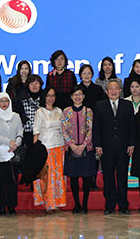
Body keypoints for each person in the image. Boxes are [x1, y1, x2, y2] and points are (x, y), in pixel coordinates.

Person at [92, 79, 135, 215]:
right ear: (106, 91)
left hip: (123, 148)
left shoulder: (128, 105)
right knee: (108, 177)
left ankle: (123, 205)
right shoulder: (100, 105)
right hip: (106, 148)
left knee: (122, 177)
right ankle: (109, 205)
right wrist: (97, 145)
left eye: (116, 88)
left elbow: (131, 127)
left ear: (120, 91)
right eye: (111, 89)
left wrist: (131, 143)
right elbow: (96, 127)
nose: (114, 91)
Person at [62, 86, 97, 214]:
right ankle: (77, 204)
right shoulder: (66, 111)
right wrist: (72, 145)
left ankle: (85, 204)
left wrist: (83, 145)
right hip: (71, 149)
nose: (77, 97)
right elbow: (64, 130)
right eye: (75, 94)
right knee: (74, 178)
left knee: (87, 178)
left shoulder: (89, 111)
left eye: (80, 94)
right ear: (71, 97)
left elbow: (91, 130)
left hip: (86, 148)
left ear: (83, 96)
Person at [32, 87, 67, 214]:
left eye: (53, 95)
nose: (51, 98)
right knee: (47, 177)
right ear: (44, 97)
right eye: (48, 95)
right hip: (45, 149)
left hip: (59, 147)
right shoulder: (39, 112)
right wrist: (34, 152)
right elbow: (36, 132)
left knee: (58, 177)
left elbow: (63, 130)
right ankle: (48, 205)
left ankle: (57, 203)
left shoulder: (59, 111)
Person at [0, 93, 24, 216]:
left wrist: (16, 144)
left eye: (6, 101)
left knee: (12, 183)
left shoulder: (16, 116)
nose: (4, 104)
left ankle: (11, 206)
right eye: (1, 101)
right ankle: (1, 207)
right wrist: (9, 142)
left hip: (12, 155)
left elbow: (20, 132)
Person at [77, 63, 106, 190]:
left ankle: (93, 180)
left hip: (96, 125)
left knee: (94, 154)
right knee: (83, 153)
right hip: (79, 126)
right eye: (84, 73)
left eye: (89, 73)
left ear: (92, 75)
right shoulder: (77, 89)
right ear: (80, 75)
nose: (86, 76)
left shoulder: (98, 89)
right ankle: (84, 180)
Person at [14, 75, 44, 147]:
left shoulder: (45, 100)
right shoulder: (22, 100)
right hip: (26, 134)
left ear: (40, 84)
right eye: (31, 83)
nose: (34, 86)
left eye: (36, 83)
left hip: (42, 133)